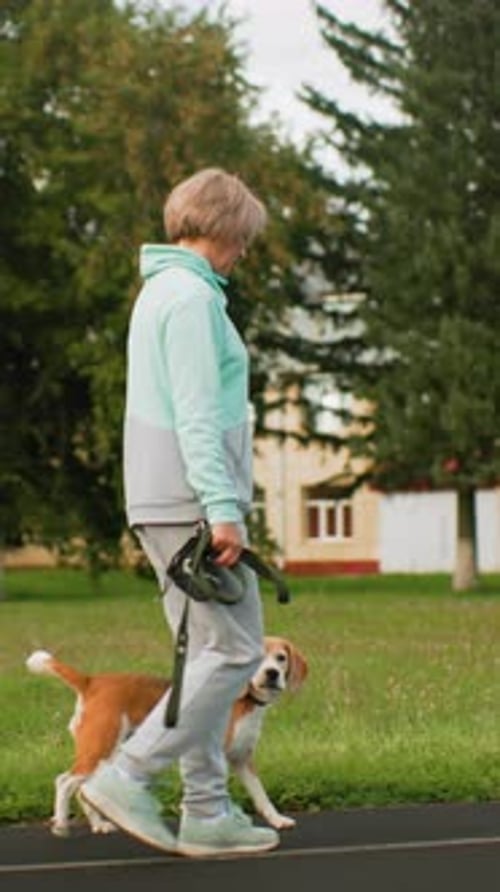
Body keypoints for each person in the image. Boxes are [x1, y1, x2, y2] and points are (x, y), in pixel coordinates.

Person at [80, 168, 279, 857]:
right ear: (220, 227)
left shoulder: (159, 292)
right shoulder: (192, 299)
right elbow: (198, 415)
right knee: (237, 652)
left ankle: (206, 809)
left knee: (204, 659)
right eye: (243, 239)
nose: (243, 253)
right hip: (194, 502)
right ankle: (128, 774)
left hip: (165, 498)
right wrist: (223, 509)